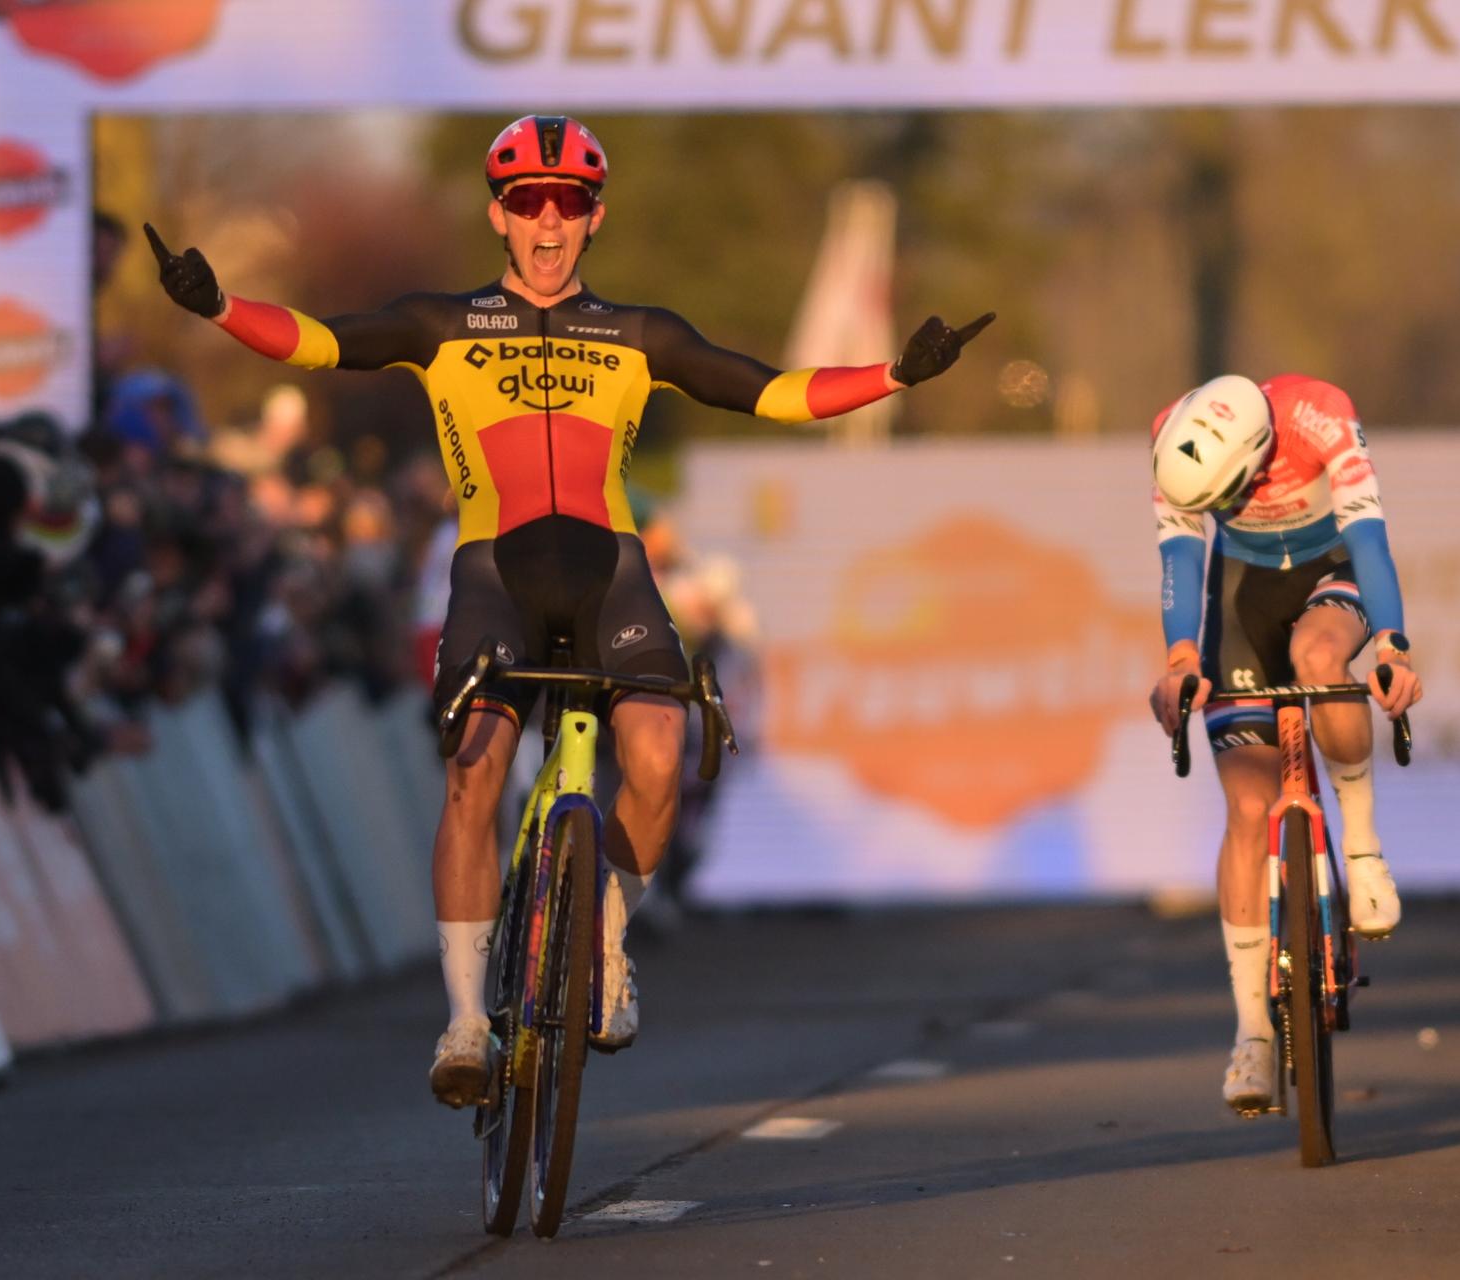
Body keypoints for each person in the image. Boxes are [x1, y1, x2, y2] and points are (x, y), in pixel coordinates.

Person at [147, 114, 992, 1108]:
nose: (549, 223)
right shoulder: (441, 323)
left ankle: (605, 938)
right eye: (529, 203)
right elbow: (324, 343)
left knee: (659, 754)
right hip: (494, 576)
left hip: (613, 576)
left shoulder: (639, 333)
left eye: (570, 203)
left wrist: (895, 374)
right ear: (499, 214)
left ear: (595, 218)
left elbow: (769, 392)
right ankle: (465, 1019)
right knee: (474, 774)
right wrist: (217, 307)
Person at [1145, 373, 1423, 1115]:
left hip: (1330, 572)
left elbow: (1368, 537)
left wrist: (1392, 642)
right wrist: (1180, 661)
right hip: (1239, 592)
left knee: (1320, 662)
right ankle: (1252, 1035)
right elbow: (1181, 558)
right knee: (1247, 806)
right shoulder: (1173, 436)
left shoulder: (1320, 414)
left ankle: (1361, 851)